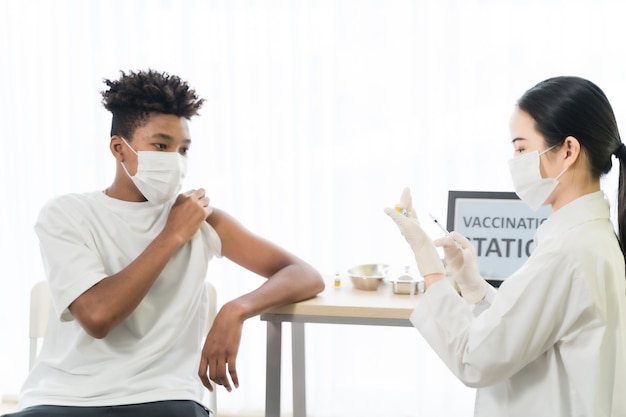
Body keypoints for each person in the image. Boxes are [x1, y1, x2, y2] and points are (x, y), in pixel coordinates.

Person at [5, 69, 325, 417]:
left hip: (164, 396)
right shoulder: (67, 213)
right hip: (62, 398)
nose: (175, 160)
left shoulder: (203, 219)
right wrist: (172, 235)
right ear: (119, 149)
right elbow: (98, 317)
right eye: (160, 145)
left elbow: (304, 274)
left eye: (183, 149)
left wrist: (235, 310)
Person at [385, 76, 626, 416]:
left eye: (521, 148)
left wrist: (430, 267)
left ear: (568, 151)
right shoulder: (589, 238)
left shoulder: (567, 252)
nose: (514, 160)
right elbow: (531, 325)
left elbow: (475, 358)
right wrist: (474, 288)